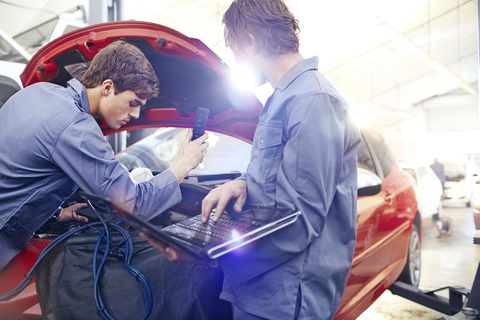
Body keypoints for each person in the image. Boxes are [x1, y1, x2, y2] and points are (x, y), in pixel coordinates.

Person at [141, 1, 361, 319]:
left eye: (233, 48)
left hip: (285, 298)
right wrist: (243, 183)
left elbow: (299, 221)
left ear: (250, 39)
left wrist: (211, 255)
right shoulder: (281, 98)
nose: (234, 58)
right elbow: (281, 175)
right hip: (260, 288)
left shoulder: (313, 102)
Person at [0, 40, 209, 271]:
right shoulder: (74, 126)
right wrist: (184, 164)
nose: (137, 114)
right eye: (133, 103)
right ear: (107, 87)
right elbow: (133, 205)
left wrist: (55, 213)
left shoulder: (37, 92)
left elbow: (19, 177)